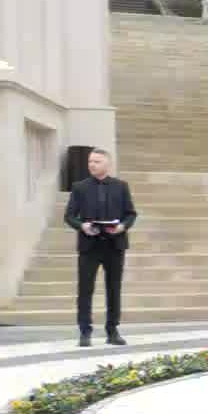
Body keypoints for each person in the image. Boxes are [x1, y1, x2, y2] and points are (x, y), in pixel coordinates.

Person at [64, 147, 138, 347]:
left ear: (107, 164)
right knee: (85, 290)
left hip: (115, 245)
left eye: (97, 161)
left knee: (114, 288)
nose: (92, 165)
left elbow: (131, 214)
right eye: (90, 161)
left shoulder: (121, 186)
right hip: (89, 245)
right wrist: (83, 226)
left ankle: (112, 330)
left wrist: (122, 226)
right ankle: (85, 331)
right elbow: (69, 216)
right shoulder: (79, 187)